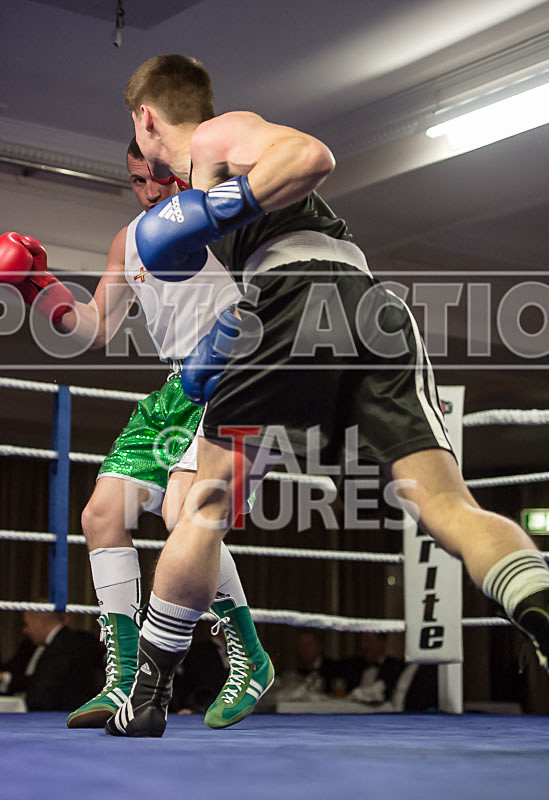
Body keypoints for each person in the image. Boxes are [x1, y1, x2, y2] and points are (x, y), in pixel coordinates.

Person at [104, 52, 549, 738]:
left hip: (290, 298)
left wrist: (223, 205)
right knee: (445, 504)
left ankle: (150, 693)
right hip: (368, 307)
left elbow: (311, 154)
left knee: (203, 504)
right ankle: (534, 596)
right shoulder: (201, 169)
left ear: (146, 118)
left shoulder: (218, 136)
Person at [0, 139, 273, 730]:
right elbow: (95, 327)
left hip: (234, 371)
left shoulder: (213, 209)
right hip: (178, 387)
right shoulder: (129, 239)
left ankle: (250, 658)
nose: (150, 190)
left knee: (185, 517)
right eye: (136, 181)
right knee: (101, 515)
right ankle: (123, 679)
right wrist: (36, 286)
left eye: (159, 177)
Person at [0, 611, 103, 711]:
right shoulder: (54, 643)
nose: (25, 631)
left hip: (61, 716)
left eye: (27, 624)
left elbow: (42, 695)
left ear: (41, 623)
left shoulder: (63, 646)